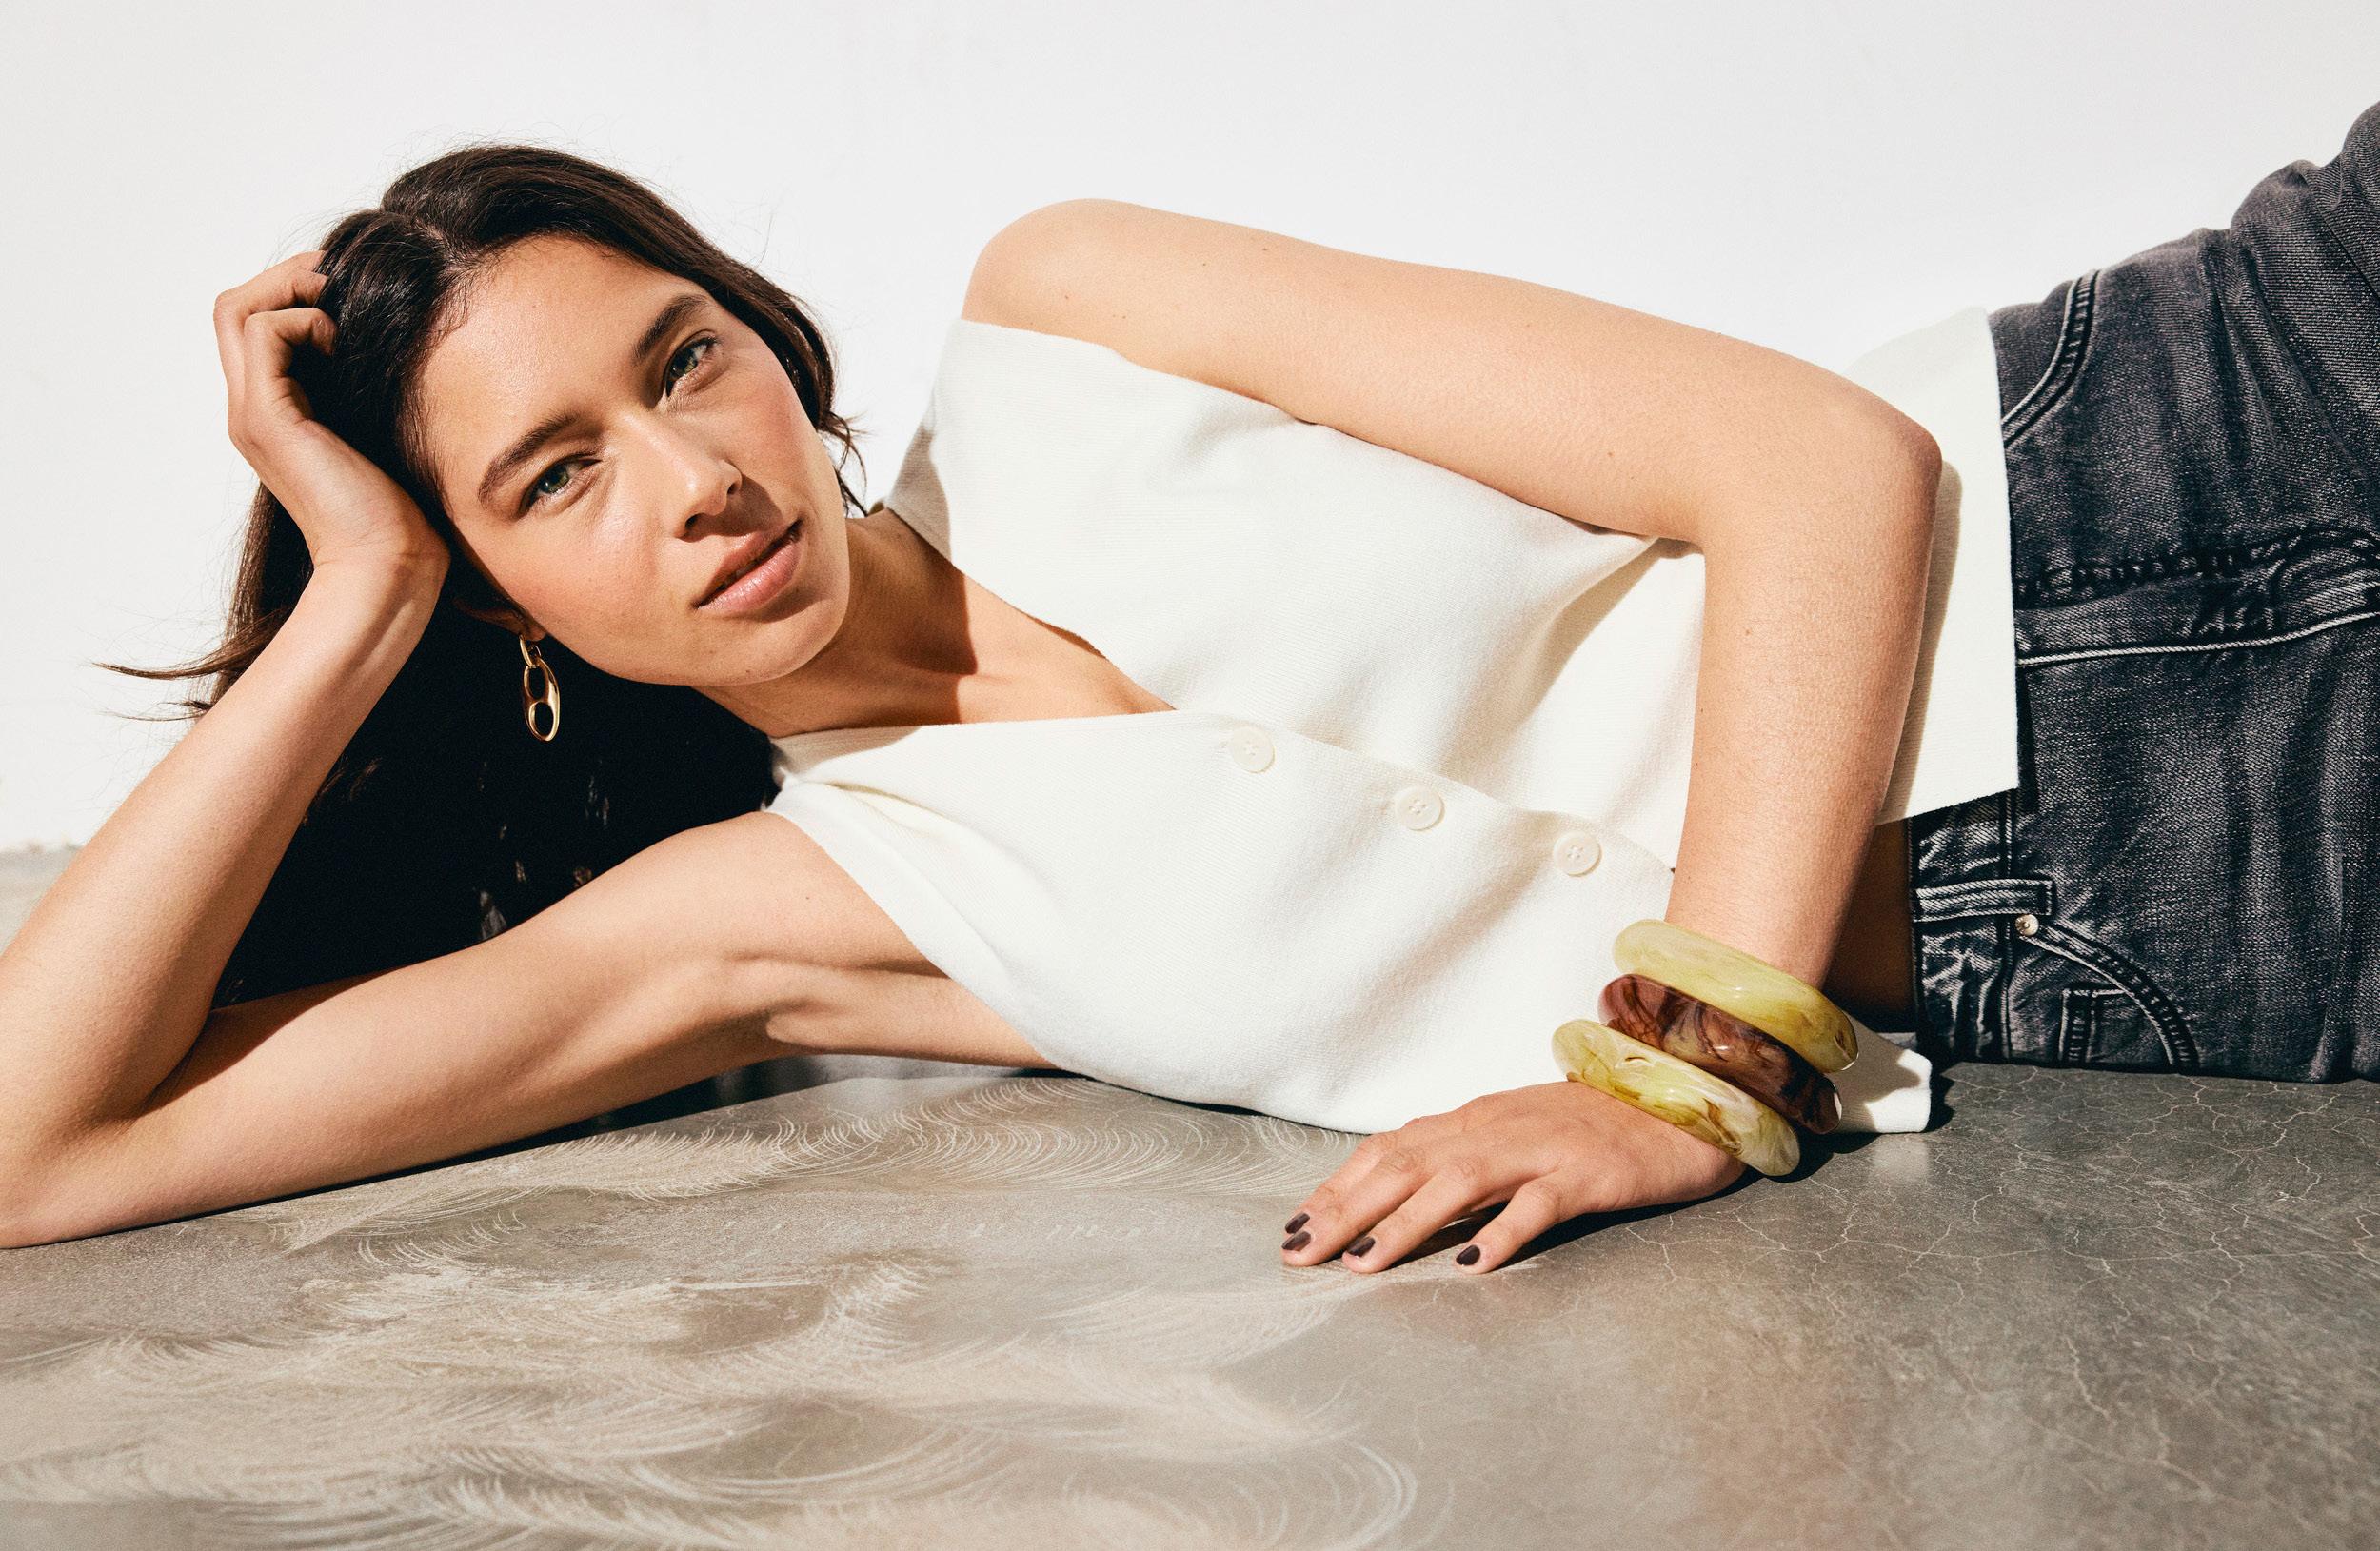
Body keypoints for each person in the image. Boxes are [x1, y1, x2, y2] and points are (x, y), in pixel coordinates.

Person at [2, 104, 2370, 1258]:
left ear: (765, 339)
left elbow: (1812, 463)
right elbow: (38, 1151)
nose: (693, 479)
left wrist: (1691, 1069)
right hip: (2185, 904)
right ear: (495, 598)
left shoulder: (1071, 313)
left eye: (683, 359)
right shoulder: (789, 914)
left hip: (2187, 406)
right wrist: (352, 598)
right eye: (554, 479)